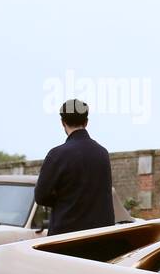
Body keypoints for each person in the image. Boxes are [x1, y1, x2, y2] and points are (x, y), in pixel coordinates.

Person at [33, 99, 115, 235]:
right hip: (100, 237)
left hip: (65, 237)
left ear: (62, 122)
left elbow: (41, 196)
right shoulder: (102, 153)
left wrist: (63, 200)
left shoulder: (57, 155)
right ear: (86, 122)